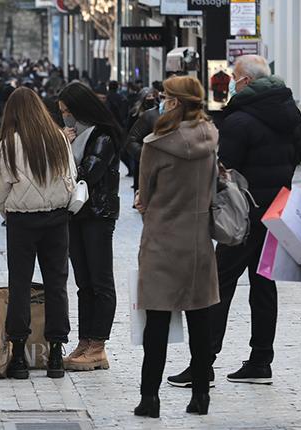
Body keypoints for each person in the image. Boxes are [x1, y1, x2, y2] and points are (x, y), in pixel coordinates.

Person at [166, 54, 301, 387]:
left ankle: (203, 363)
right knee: (263, 284)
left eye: (235, 77)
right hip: (276, 212)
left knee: (217, 285)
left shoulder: (240, 120)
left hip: (241, 216)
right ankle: (261, 360)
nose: (232, 81)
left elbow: (221, 169)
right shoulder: (291, 112)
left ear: (246, 80)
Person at [134, 76, 219, 419]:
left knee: (156, 324)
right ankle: (200, 396)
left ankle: (149, 398)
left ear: (173, 101)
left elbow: (145, 195)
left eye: (166, 97)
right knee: (200, 321)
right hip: (198, 239)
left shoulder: (156, 144)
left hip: (163, 240)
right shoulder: (211, 138)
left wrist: (145, 202)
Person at [0, 87, 75, 380]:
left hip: (22, 221)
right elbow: (71, 178)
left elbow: (0, 190)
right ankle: (55, 354)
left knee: (20, 284)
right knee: (57, 284)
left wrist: (9, 212)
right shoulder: (58, 139)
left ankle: (18, 356)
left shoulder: (6, 145)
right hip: (56, 218)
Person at [56, 82, 124, 372]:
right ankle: (85, 342)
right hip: (75, 214)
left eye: (67, 111)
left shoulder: (101, 135)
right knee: (83, 282)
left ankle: (98, 345)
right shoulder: (74, 136)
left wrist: (63, 147)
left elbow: (88, 173)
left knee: (100, 280)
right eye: (61, 112)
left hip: (97, 213)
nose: (65, 117)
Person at [126, 88, 160, 193]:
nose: (150, 98)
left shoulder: (158, 113)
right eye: (148, 96)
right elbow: (131, 132)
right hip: (142, 146)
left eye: (152, 96)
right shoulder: (136, 112)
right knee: (139, 171)